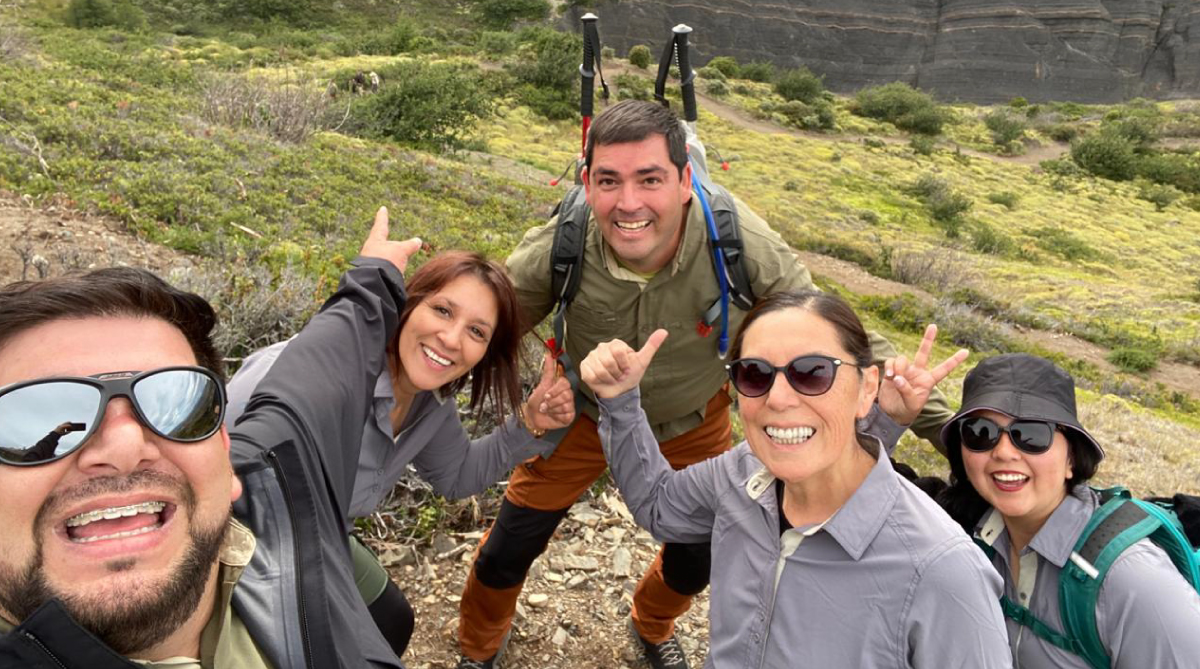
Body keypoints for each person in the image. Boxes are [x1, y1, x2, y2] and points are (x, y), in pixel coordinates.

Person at [455, 99, 957, 669]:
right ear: (587, 185)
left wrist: (961, 435)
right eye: (608, 181)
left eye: (650, 179)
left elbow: (826, 332)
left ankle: (650, 627)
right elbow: (479, 325)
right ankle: (478, 649)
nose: (629, 203)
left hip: (695, 422)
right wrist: (396, 384)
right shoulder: (563, 245)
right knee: (508, 548)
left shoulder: (739, 243)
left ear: (685, 179)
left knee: (694, 559)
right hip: (582, 417)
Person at [0, 208, 415, 667]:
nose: (123, 446)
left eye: (174, 404)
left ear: (223, 452)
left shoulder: (276, 483)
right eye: (33, 415)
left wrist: (377, 272)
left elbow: (328, 357)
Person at [580, 290, 1011, 667]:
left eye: (813, 372)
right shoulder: (743, 471)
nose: (779, 399)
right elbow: (660, 505)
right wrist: (619, 401)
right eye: (754, 374)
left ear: (867, 388)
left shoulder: (944, 574)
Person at [223, 251, 574, 658]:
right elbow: (208, 465)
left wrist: (529, 422)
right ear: (408, 303)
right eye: (442, 310)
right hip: (235, 548)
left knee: (390, 620)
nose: (452, 339)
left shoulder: (430, 404)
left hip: (323, 542)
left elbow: (458, 475)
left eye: (477, 332)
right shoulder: (304, 374)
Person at [938, 353, 1200, 668]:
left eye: (1032, 434)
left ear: (1072, 458)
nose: (1004, 452)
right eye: (980, 432)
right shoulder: (973, 529)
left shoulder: (1132, 580)